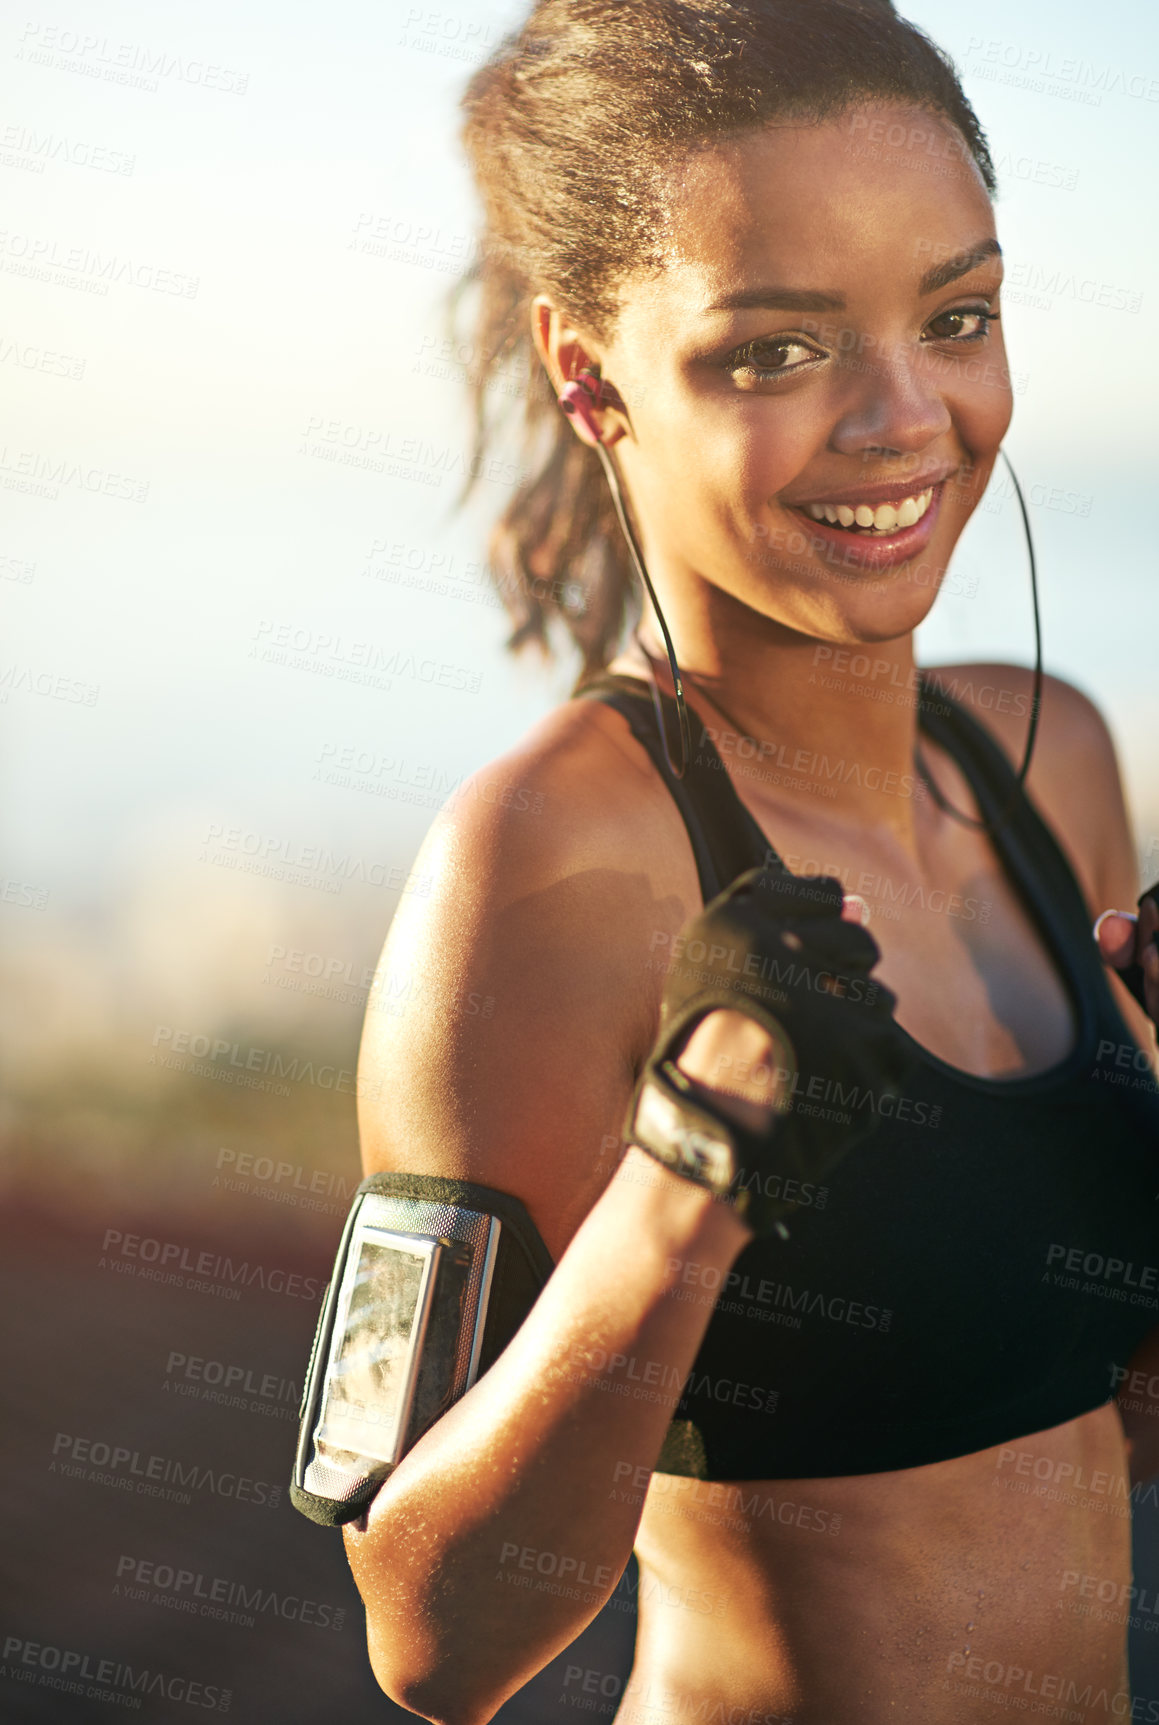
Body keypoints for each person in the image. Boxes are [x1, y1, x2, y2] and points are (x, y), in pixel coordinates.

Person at [343, 2, 1159, 1718]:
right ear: (591, 375)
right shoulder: (549, 859)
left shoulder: (1053, 763)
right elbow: (432, 1641)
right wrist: (689, 1171)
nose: (904, 418)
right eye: (779, 350)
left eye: (958, 317)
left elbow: (1094, 1430)